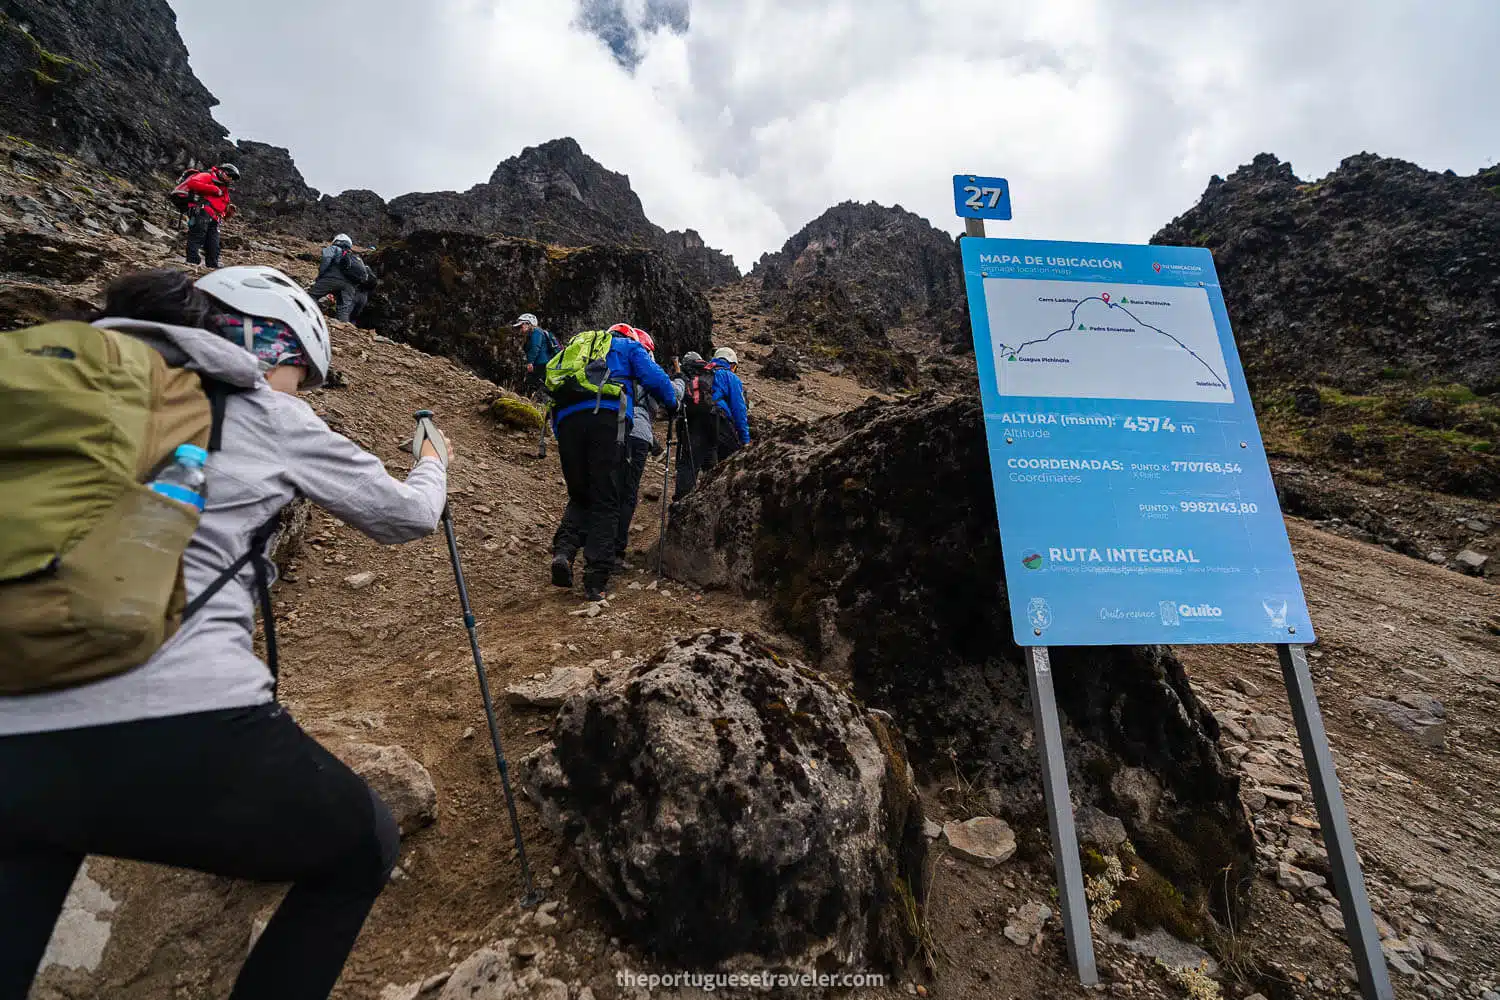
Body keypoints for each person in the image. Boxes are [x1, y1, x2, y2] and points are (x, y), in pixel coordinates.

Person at [0, 266, 451, 1000]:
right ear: (278, 351)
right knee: (362, 846)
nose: (298, 389)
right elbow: (406, 517)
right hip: (175, 719)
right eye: (303, 374)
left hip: (11, 724)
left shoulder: (44, 383)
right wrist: (433, 461)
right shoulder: (264, 410)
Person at [549, 322, 675, 601]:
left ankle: (564, 552)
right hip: (606, 417)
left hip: (567, 421)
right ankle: (596, 578)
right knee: (607, 496)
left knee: (580, 494)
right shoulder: (629, 347)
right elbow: (655, 379)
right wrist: (672, 403)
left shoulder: (579, 344)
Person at [614, 327, 663, 567]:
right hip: (636, 434)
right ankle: (616, 550)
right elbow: (653, 406)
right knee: (628, 493)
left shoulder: (613, 364)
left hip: (607, 428)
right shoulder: (643, 367)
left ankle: (592, 544)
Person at [671, 351, 719, 501]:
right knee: (711, 464)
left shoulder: (684, 375)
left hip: (691, 423)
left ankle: (682, 500)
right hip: (712, 421)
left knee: (687, 464)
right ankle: (712, 497)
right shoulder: (710, 373)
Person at [180, 163, 239, 269]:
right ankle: (192, 264)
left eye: (232, 177)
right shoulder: (208, 176)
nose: (230, 178)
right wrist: (214, 189)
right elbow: (193, 183)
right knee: (197, 237)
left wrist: (227, 212)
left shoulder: (224, 188)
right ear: (221, 171)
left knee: (214, 243)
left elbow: (221, 205)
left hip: (215, 219)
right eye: (229, 175)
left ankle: (212, 266)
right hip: (202, 212)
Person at [307, 234, 373, 324]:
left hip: (331, 279)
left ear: (336, 241)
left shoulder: (334, 248)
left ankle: (309, 317)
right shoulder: (354, 257)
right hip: (349, 286)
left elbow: (326, 258)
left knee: (312, 296)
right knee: (343, 309)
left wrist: (321, 275)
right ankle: (342, 327)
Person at [708, 347, 751, 458]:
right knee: (729, 458)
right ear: (732, 365)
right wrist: (745, 440)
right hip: (718, 420)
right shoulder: (730, 377)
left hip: (694, 420)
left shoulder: (702, 372)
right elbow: (739, 410)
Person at [514, 313, 557, 397]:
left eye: (521, 325)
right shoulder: (533, 333)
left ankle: (531, 401)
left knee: (531, 384)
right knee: (538, 384)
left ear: (529, 323)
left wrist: (530, 362)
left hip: (541, 363)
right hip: (542, 364)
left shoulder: (536, 331)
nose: (520, 329)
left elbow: (535, 347)